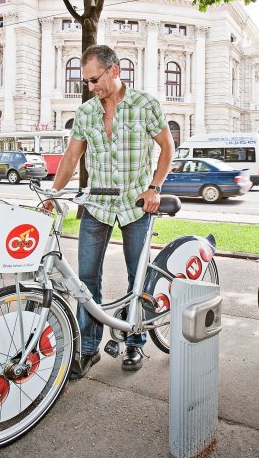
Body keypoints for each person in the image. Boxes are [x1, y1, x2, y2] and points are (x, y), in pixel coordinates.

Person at [45, 45, 174, 380]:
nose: (91, 87)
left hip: (136, 204)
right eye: (86, 81)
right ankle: (87, 348)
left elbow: (167, 148)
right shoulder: (87, 113)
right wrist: (53, 194)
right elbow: (71, 158)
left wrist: (155, 187)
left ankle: (135, 339)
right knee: (85, 280)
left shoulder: (144, 104)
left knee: (138, 277)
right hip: (97, 205)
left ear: (114, 70)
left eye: (94, 79)